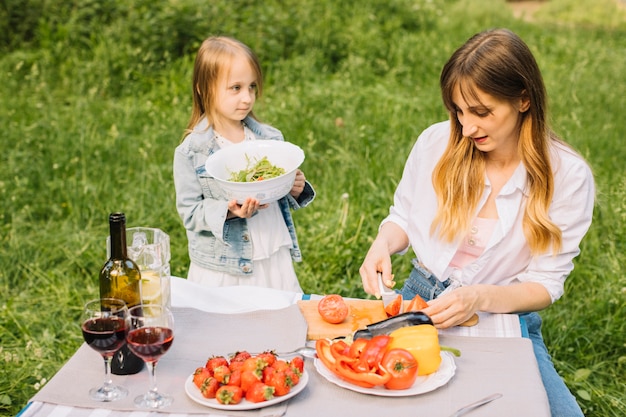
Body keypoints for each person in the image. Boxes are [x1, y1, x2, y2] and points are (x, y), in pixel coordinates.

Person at [359, 29, 593, 417]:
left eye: (482, 112)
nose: (467, 129)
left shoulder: (567, 176)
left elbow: (546, 285)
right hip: (422, 301)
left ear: (523, 99)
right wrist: (383, 243)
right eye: (458, 111)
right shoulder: (437, 143)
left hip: (502, 314)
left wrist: (478, 297)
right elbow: (402, 216)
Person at [173, 36, 315, 293]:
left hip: (272, 255)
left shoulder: (269, 139)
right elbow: (190, 212)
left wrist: (295, 188)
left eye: (251, 87)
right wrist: (228, 211)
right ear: (203, 89)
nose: (247, 98)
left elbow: (276, 188)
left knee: (276, 322)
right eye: (235, 88)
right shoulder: (192, 151)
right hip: (224, 268)